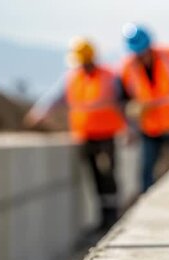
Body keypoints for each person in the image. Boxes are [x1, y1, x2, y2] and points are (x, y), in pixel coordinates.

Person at [24, 37, 126, 230]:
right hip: (85, 135)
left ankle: (112, 216)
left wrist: (130, 129)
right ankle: (103, 219)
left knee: (108, 175)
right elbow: (56, 97)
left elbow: (123, 103)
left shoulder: (109, 77)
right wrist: (39, 113)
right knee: (95, 177)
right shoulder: (73, 78)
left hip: (106, 134)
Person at [119, 23, 169, 192]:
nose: (141, 56)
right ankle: (147, 195)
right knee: (147, 169)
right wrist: (131, 110)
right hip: (150, 127)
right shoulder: (127, 68)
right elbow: (123, 99)